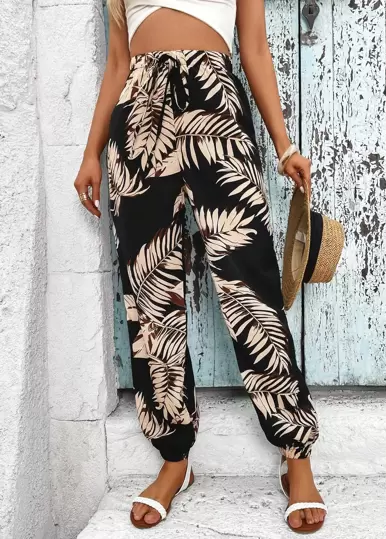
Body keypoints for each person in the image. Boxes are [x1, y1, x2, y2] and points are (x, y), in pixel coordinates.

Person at [74, 0, 327, 533]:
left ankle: (296, 454)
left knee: (250, 282)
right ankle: (174, 458)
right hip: (138, 116)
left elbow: (253, 47)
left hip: (215, 103)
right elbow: (118, 63)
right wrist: (91, 152)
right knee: (149, 290)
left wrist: (284, 146)